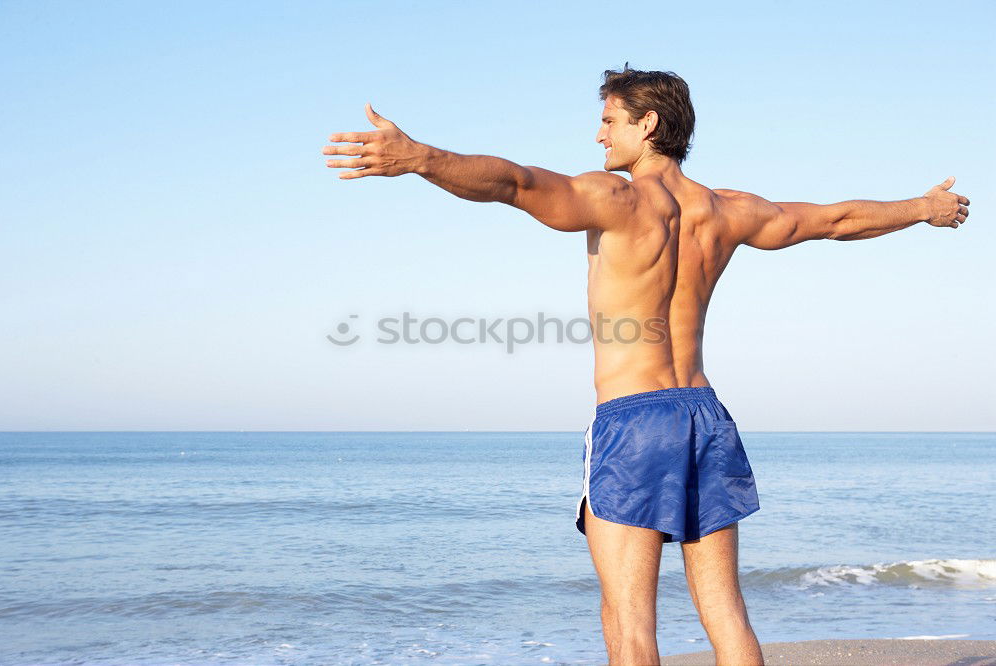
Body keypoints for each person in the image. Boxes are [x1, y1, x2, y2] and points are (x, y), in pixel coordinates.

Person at [323, 66, 970, 666]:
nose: (598, 133)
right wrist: (922, 208)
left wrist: (420, 159)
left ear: (648, 125)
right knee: (725, 612)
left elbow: (515, 184)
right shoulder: (728, 210)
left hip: (634, 421)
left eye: (610, 120)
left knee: (629, 622)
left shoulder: (615, 199)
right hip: (705, 416)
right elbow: (832, 220)